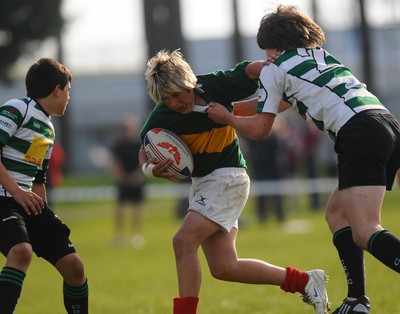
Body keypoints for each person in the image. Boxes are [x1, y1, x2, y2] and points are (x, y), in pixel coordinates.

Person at [206, 5, 400, 314]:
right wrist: (219, 111)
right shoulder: (318, 57)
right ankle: (356, 302)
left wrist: (226, 117)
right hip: (386, 125)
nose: (266, 57)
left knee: (364, 230)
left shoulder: (274, 68)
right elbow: (277, 103)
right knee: (336, 214)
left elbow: (260, 129)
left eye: (267, 50)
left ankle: (358, 302)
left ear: (276, 46)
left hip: (359, 133)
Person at [139, 49, 329, 314]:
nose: (174, 102)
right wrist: (150, 170)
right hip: (203, 184)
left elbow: (248, 70)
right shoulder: (163, 115)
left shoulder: (215, 85)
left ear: (188, 81)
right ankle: (305, 281)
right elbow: (145, 146)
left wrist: (273, 67)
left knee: (182, 242)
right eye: (166, 98)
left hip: (227, 178)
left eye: (177, 93)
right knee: (224, 267)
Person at [0, 58, 89, 313]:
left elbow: (38, 178)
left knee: (75, 267)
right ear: (57, 89)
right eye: (68, 91)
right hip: (4, 200)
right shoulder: (17, 108)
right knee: (21, 252)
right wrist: (17, 191)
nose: (69, 98)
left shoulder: (48, 129)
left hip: (26, 203)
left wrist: (45, 219)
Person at [111, 114, 146, 248]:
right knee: (120, 207)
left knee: (137, 207)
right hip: (123, 180)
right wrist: (122, 176)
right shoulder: (118, 144)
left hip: (136, 180)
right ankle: (119, 235)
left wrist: (137, 176)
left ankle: (136, 234)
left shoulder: (139, 144)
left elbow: (143, 161)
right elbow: (115, 161)